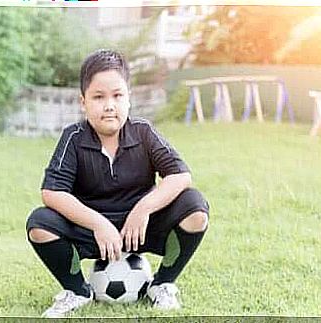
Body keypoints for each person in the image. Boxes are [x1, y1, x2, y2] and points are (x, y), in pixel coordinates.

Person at [26, 49, 209, 318]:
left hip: (141, 228)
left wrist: (143, 209)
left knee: (195, 207)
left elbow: (180, 175)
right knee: (39, 223)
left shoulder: (143, 132)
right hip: (92, 231)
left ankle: (162, 285)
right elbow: (52, 192)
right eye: (98, 97)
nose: (109, 105)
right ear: (83, 102)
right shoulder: (73, 138)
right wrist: (98, 223)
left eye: (117, 95)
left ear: (129, 99)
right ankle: (77, 290)